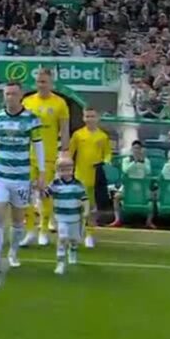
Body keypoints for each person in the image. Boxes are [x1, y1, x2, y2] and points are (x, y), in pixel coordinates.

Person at [0, 82, 44, 273]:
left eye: (13, 94)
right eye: (7, 94)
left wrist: (42, 171)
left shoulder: (31, 119)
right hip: (0, 176)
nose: (10, 97)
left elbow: (38, 146)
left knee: (17, 220)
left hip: (21, 177)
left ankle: (13, 252)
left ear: (21, 95)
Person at [21, 68, 71, 247]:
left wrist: (65, 151)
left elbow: (64, 129)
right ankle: (29, 231)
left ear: (51, 84)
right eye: (39, 82)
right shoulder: (27, 101)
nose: (41, 85)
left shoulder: (60, 103)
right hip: (27, 155)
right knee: (24, 194)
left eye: (44, 82)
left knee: (44, 193)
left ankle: (43, 230)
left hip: (48, 155)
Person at [67, 106, 111, 249]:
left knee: (91, 207)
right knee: (77, 205)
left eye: (92, 116)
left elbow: (107, 154)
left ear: (97, 118)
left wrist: (105, 162)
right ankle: (77, 232)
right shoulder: (78, 135)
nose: (89, 119)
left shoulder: (103, 136)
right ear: (83, 118)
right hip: (80, 175)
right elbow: (70, 153)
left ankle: (90, 234)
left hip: (95, 176)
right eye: (87, 116)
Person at [47, 157, 88, 275]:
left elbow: (84, 198)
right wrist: (39, 190)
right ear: (58, 171)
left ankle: (73, 249)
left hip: (75, 217)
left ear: (73, 169)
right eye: (62, 170)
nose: (66, 172)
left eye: (68, 169)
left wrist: (85, 210)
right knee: (62, 237)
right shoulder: (55, 184)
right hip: (61, 217)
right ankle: (60, 262)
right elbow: (46, 193)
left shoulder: (78, 184)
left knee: (74, 239)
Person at [109, 140, 156, 229]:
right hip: (128, 186)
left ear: (141, 150)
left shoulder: (146, 161)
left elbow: (148, 171)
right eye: (135, 148)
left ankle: (149, 222)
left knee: (152, 198)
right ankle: (117, 219)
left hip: (142, 187)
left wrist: (141, 161)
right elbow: (126, 170)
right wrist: (135, 161)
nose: (136, 150)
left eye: (138, 148)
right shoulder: (126, 160)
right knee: (116, 197)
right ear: (132, 149)